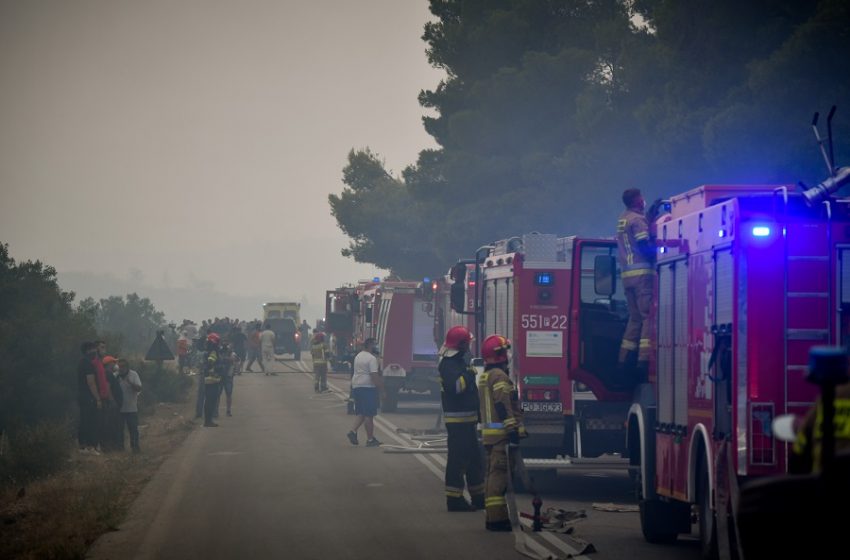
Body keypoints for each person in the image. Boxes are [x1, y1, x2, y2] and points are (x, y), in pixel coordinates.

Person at [477, 334, 525, 532]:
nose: (507, 354)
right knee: (499, 477)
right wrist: (512, 429)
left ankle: (494, 517)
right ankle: (497, 520)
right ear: (500, 355)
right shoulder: (499, 376)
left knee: (492, 475)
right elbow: (503, 404)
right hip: (501, 437)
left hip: (490, 436)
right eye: (504, 351)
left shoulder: (485, 376)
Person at [438, 326, 485, 512]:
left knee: (474, 459)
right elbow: (456, 388)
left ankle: (478, 496)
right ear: (462, 344)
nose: (469, 346)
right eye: (468, 343)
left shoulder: (458, 361)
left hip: (468, 421)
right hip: (458, 422)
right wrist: (469, 373)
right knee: (458, 460)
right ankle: (454, 499)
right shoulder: (449, 364)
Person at [616, 188, 656, 379]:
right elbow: (643, 245)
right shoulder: (637, 220)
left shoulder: (623, 218)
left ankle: (624, 359)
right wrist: (659, 255)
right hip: (642, 275)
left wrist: (649, 216)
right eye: (642, 197)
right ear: (638, 200)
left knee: (635, 318)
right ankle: (643, 359)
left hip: (627, 276)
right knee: (648, 315)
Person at [347, 338, 384, 447]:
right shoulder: (371, 359)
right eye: (375, 345)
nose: (376, 347)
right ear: (370, 345)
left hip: (357, 386)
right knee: (369, 415)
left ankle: (352, 432)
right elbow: (374, 376)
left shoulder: (358, 356)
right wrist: (382, 389)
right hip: (367, 388)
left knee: (361, 413)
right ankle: (370, 439)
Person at [77, 342, 101, 454]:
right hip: (88, 397)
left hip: (82, 396)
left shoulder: (82, 362)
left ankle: (83, 446)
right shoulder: (87, 363)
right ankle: (89, 446)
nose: (95, 351)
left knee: (84, 420)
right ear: (88, 350)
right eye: (93, 349)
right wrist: (98, 398)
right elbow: (91, 382)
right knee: (90, 421)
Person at [116, 358, 142, 452]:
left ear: (127, 367)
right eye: (119, 366)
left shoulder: (133, 374)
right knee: (119, 430)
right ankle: (120, 449)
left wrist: (130, 383)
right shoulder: (116, 376)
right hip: (119, 409)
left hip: (131, 408)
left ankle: (135, 448)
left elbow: (139, 388)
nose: (121, 368)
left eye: (123, 366)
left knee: (133, 430)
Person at [202, 333, 223, 427]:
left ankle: (208, 420)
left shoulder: (208, 351)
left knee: (209, 401)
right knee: (211, 401)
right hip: (212, 380)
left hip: (210, 379)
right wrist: (218, 368)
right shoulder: (213, 352)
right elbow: (210, 363)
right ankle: (208, 421)